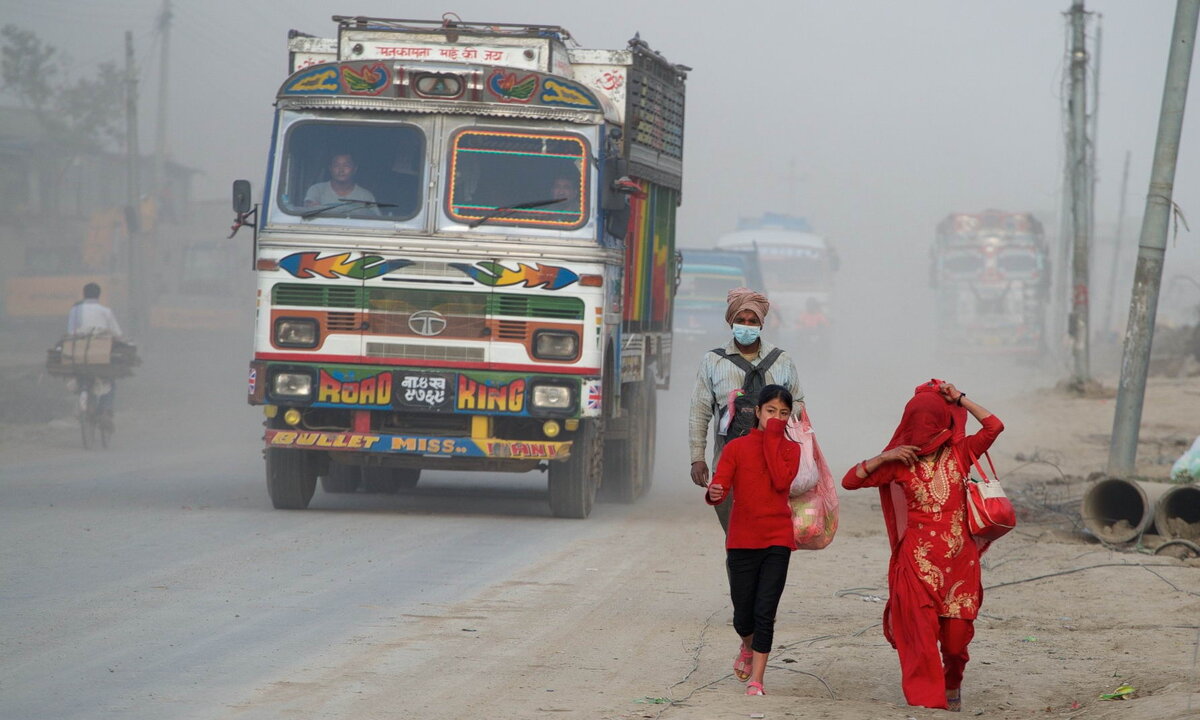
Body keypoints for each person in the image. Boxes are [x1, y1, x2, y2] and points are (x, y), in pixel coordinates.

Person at [841, 380, 1004, 712]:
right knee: (921, 640)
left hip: (961, 564)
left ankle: (953, 681)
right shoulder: (899, 462)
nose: (921, 430)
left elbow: (994, 425)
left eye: (929, 421)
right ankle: (929, 706)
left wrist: (960, 398)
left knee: (956, 643)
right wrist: (884, 456)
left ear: (943, 421)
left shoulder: (961, 452)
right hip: (916, 565)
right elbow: (850, 480)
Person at [705, 384, 800, 696]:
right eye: (770, 411)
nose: (776, 418)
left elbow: (780, 479)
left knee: (765, 612)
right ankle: (747, 647)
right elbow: (720, 483)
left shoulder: (791, 449)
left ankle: (758, 680)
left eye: (783, 413)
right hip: (742, 539)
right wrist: (715, 491)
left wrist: (773, 437)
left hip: (778, 539)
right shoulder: (736, 448)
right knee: (742, 616)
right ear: (757, 411)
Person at [689, 287, 803, 532]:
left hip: (773, 469)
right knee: (736, 541)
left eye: (752, 321)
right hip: (728, 467)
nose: (746, 325)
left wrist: (778, 414)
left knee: (768, 539)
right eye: (740, 320)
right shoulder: (713, 361)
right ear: (731, 321)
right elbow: (699, 412)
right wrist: (697, 458)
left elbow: (799, 402)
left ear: (761, 324)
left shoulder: (782, 360)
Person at [66, 282, 124, 421]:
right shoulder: (105, 311)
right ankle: (105, 410)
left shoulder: (75, 311)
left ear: (84, 294)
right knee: (110, 380)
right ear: (99, 295)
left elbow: (70, 332)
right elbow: (117, 334)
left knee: (78, 375)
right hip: (100, 354)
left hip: (79, 353)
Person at [304, 153, 380, 215]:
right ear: (330, 168)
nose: (341, 170)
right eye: (336, 165)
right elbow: (309, 212)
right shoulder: (317, 190)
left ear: (355, 169)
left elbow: (376, 221)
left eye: (346, 166)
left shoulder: (366, 196)